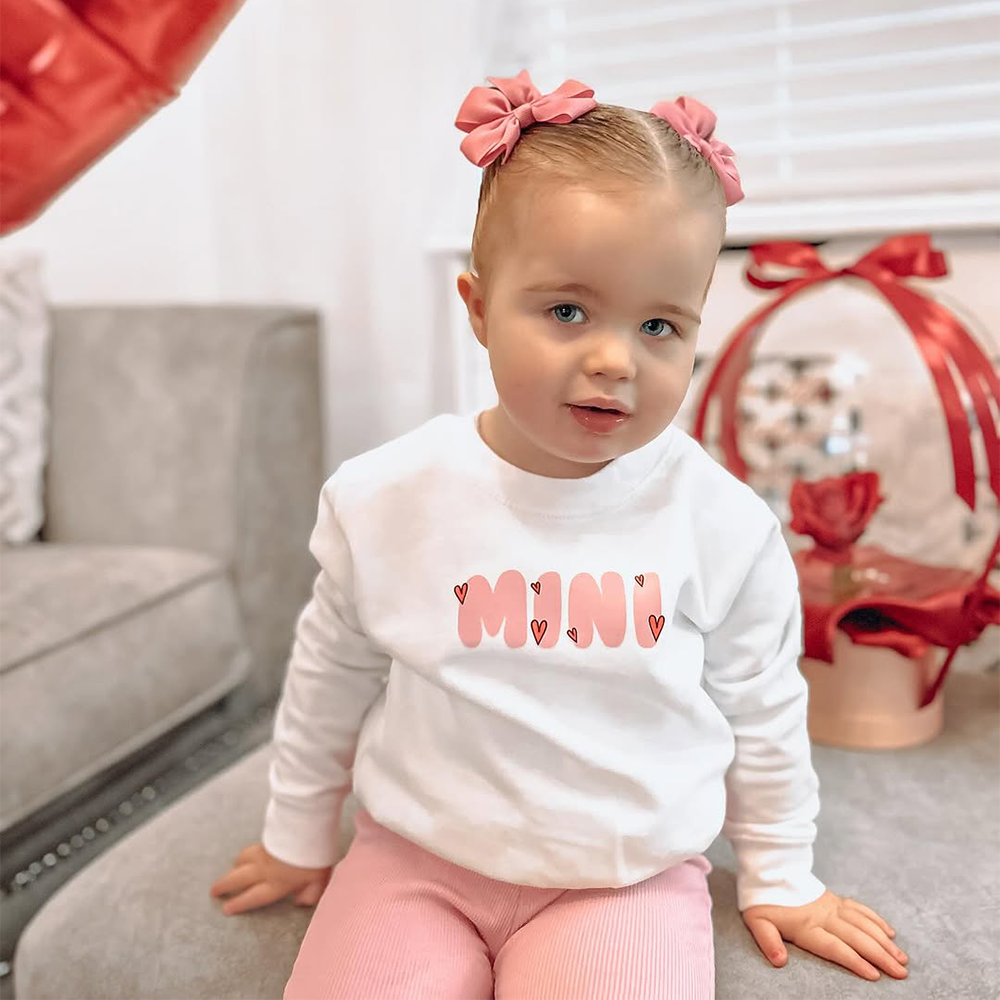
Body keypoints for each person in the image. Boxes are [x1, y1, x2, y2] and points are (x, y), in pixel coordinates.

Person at [209, 69, 910, 998]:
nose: (616, 359)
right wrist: (297, 835)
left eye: (659, 325)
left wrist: (782, 875)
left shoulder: (723, 526)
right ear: (478, 309)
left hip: (623, 875)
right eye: (567, 311)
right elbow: (330, 676)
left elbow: (764, 707)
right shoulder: (384, 500)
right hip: (414, 857)